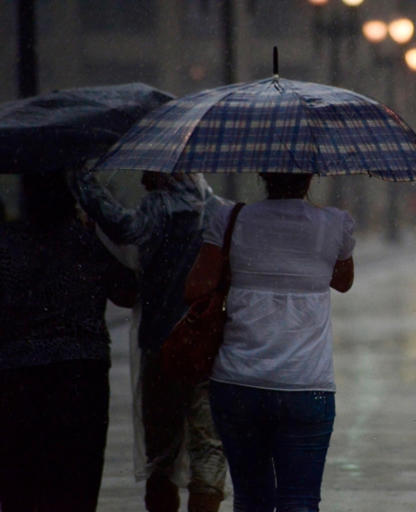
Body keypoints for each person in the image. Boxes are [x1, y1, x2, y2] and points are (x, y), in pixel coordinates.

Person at [185, 172, 355, 512]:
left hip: (238, 383)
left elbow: (195, 287)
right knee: (300, 501)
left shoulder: (230, 218)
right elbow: (343, 280)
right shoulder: (335, 223)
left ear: (262, 174)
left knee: (251, 499)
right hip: (307, 385)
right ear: (311, 176)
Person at [70, 169, 229, 512]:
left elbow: (123, 229)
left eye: (148, 172)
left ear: (164, 172)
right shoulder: (218, 210)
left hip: (161, 345)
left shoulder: (156, 209)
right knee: (208, 446)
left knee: (162, 452)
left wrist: (84, 183)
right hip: (207, 346)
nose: (142, 179)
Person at [0, 172, 136, 511]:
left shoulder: (7, 243)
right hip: (81, 373)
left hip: (18, 374)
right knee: (78, 479)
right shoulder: (85, 241)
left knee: (21, 482)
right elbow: (127, 291)